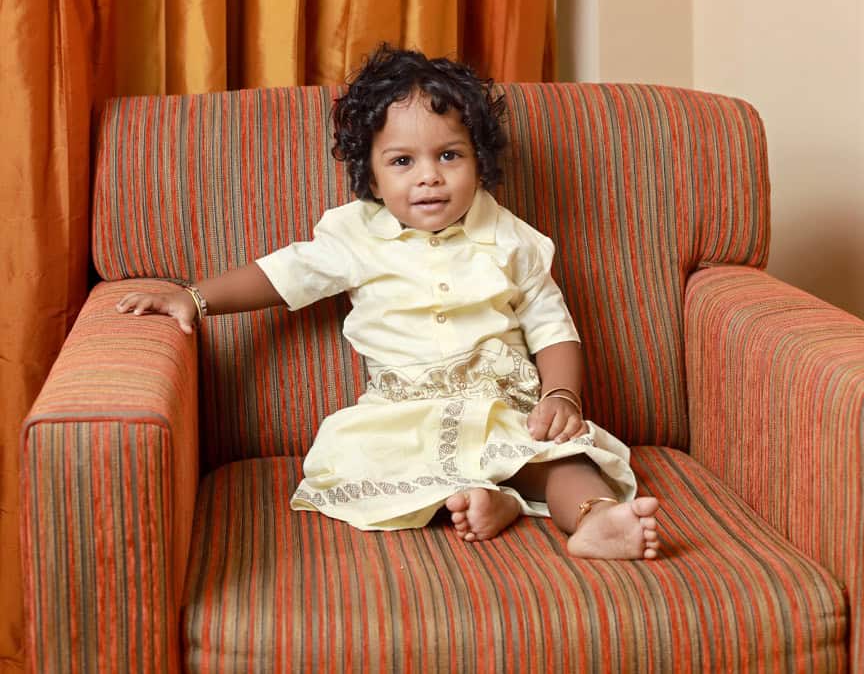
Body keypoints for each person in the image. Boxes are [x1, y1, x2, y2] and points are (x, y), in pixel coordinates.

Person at [116, 45, 660, 560]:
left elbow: (552, 327)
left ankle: (597, 518)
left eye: (449, 155)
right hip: (405, 414)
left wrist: (561, 395)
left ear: (480, 161)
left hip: (502, 407)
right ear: (370, 174)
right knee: (363, 459)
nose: (429, 176)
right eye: (402, 161)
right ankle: (492, 501)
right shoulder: (356, 236)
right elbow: (285, 274)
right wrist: (194, 297)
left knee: (563, 460)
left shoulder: (512, 240)